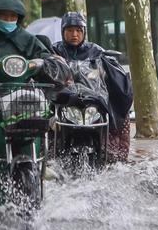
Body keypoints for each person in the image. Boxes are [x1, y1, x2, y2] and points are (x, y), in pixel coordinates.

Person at [53, 12, 133, 162]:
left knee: (120, 113)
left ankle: (115, 155)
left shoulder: (96, 51)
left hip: (94, 99)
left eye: (78, 30)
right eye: (70, 30)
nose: (74, 34)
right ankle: (49, 154)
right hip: (64, 99)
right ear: (63, 32)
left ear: (84, 32)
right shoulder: (55, 51)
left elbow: (108, 70)